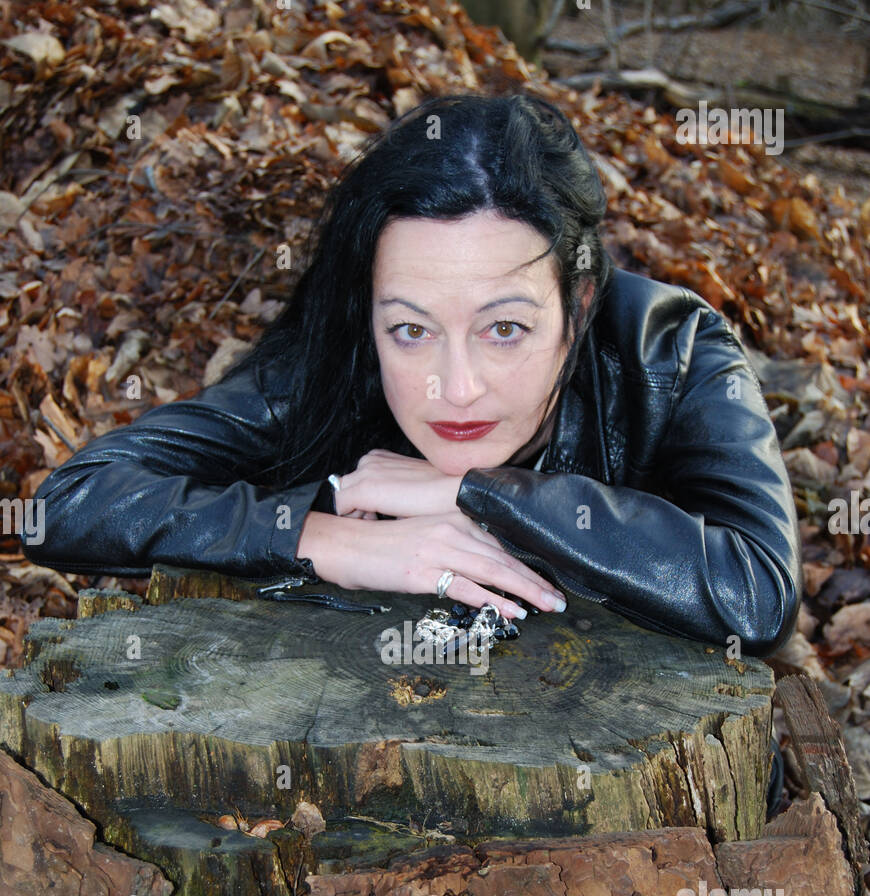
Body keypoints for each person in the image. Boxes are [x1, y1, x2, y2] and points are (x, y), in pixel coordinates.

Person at [20, 90, 801, 661]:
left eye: (504, 329)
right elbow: (70, 505)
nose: (452, 387)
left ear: (581, 300)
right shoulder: (336, 364)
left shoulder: (669, 348)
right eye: (411, 329)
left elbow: (757, 593)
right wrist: (317, 535)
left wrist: (483, 493)